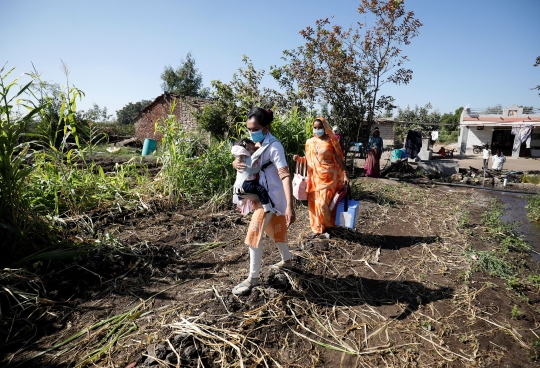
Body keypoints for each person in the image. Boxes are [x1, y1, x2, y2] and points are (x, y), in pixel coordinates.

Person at [231, 107, 295, 295]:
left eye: (255, 129)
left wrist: (290, 206)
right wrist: (235, 163)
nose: (251, 133)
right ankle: (287, 261)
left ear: (266, 128)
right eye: (249, 129)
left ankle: (253, 279)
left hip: (272, 199)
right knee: (272, 231)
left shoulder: (274, 146)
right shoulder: (254, 145)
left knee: (254, 236)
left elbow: (284, 175)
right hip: (260, 197)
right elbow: (243, 162)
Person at [293, 117, 350, 235]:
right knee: (315, 203)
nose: (317, 129)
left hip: (329, 177)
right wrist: (299, 159)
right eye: (315, 127)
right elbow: (310, 160)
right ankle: (319, 226)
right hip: (314, 178)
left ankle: (330, 224)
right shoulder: (309, 142)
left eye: (320, 127)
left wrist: (345, 173)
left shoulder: (331, 141)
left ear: (325, 128)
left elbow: (339, 158)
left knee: (324, 204)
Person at [231, 138, 276, 214]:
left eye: (253, 149)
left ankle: (241, 198)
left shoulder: (242, 157)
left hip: (241, 185)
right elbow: (257, 167)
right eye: (249, 149)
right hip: (250, 183)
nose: (252, 152)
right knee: (262, 191)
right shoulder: (249, 158)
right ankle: (267, 208)